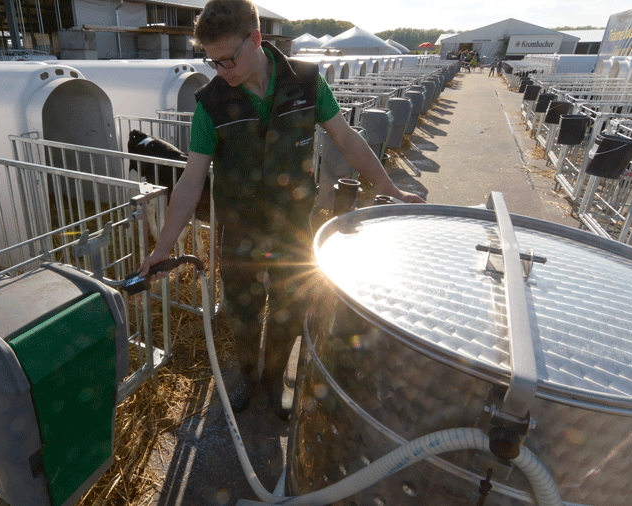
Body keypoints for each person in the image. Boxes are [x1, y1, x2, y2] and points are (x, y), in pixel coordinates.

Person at [138, 0, 424, 421]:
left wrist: (390, 189)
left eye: (228, 59)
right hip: (240, 229)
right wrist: (162, 249)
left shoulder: (306, 83)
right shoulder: (211, 104)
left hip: (293, 225)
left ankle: (274, 379)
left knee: (290, 305)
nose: (221, 70)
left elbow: (346, 139)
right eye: (213, 61)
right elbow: (190, 182)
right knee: (242, 309)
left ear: (256, 38)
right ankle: (247, 374)